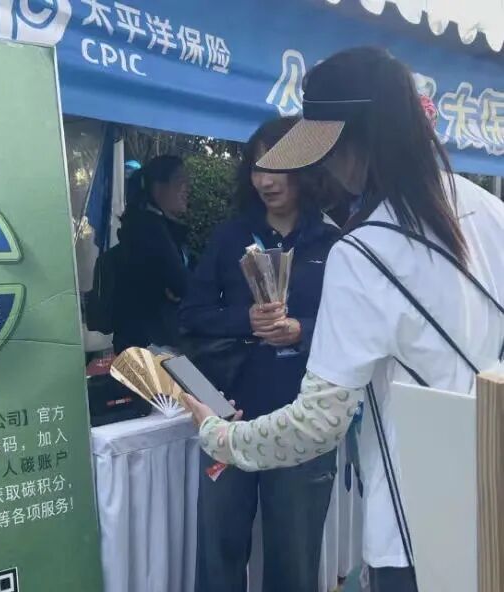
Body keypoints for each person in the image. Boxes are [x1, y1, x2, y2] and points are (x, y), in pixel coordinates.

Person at [180, 47, 504, 592]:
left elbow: (316, 423)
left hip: (414, 525)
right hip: (489, 492)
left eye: (326, 150)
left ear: (355, 141)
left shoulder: (361, 250)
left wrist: (220, 436)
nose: (326, 168)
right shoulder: (491, 214)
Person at [179, 116, 339, 592]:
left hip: (303, 416)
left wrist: (301, 330)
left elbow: (353, 328)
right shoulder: (231, 237)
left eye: (277, 166)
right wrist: (244, 321)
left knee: (294, 557)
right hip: (230, 411)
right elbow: (191, 315)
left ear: (307, 168)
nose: (265, 180)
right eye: (256, 166)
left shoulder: (334, 243)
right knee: (220, 551)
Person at [112, 155, 190, 353]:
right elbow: (181, 283)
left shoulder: (155, 225)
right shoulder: (151, 229)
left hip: (147, 338)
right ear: (158, 187)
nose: (186, 189)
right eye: (179, 181)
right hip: (151, 342)